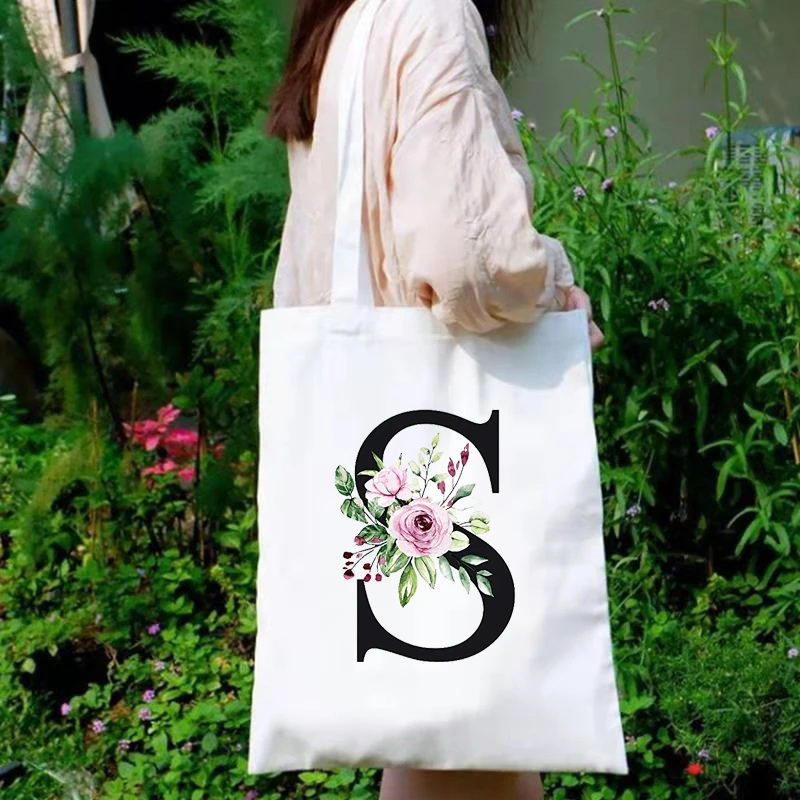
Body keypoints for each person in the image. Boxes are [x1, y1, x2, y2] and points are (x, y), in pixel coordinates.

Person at [266, 0, 604, 797]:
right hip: (446, 449)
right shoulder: (430, 15)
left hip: (383, 435)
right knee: (472, 730)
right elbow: (467, 261)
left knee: (441, 733)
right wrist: (552, 290)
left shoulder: (347, 22)